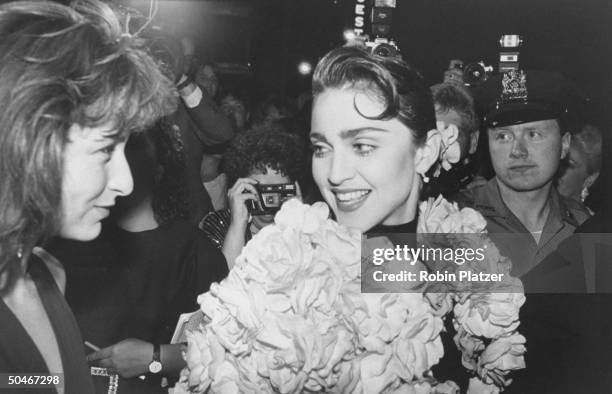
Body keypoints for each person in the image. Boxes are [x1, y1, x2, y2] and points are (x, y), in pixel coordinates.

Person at [0, 0, 175, 392]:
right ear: (29, 142)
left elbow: (42, 384)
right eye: (103, 149)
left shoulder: (47, 277)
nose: (126, 182)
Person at [49, 124, 228, 393]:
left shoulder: (193, 251)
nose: (122, 171)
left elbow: (222, 358)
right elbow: (17, 379)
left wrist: (155, 359)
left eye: (132, 149)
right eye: (107, 151)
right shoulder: (60, 249)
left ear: (159, 169)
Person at [455, 70, 591, 277]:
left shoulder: (585, 226)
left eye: (533, 134)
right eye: (503, 136)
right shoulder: (451, 222)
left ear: (564, 144)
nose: (518, 151)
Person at [200, 125, 307, 268]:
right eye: (260, 190)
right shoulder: (217, 224)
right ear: (241, 185)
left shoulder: (310, 227)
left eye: (278, 190)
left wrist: (298, 227)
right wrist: (237, 225)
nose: (269, 199)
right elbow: (222, 283)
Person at [424, 82, 480, 198]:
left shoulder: (480, 200)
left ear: (473, 142)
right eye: (433, 132)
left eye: (452, 135)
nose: (439, 143)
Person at [556, 122, 602, 210]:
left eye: (568, 164)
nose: (557, 167)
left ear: (590, 179)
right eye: (558, 159)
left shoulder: (590, 222)